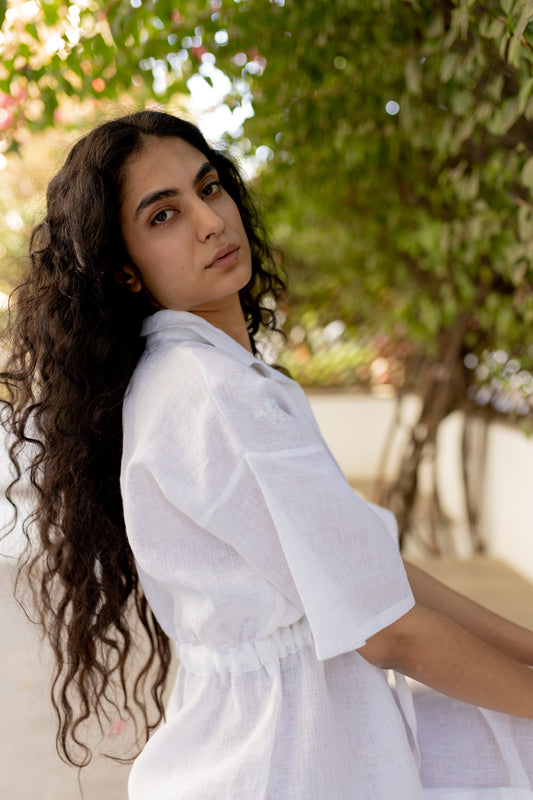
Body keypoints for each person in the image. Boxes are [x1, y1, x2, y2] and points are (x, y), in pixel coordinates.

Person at [3, 108, 533, 799]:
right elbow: (388, 631)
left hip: (287, 746)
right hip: (286, 765)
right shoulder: (213, 393)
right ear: (125, 273)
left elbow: (369, 576)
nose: (209, 221)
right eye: (163, 216)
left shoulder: (203, 377)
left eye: (210, 188)